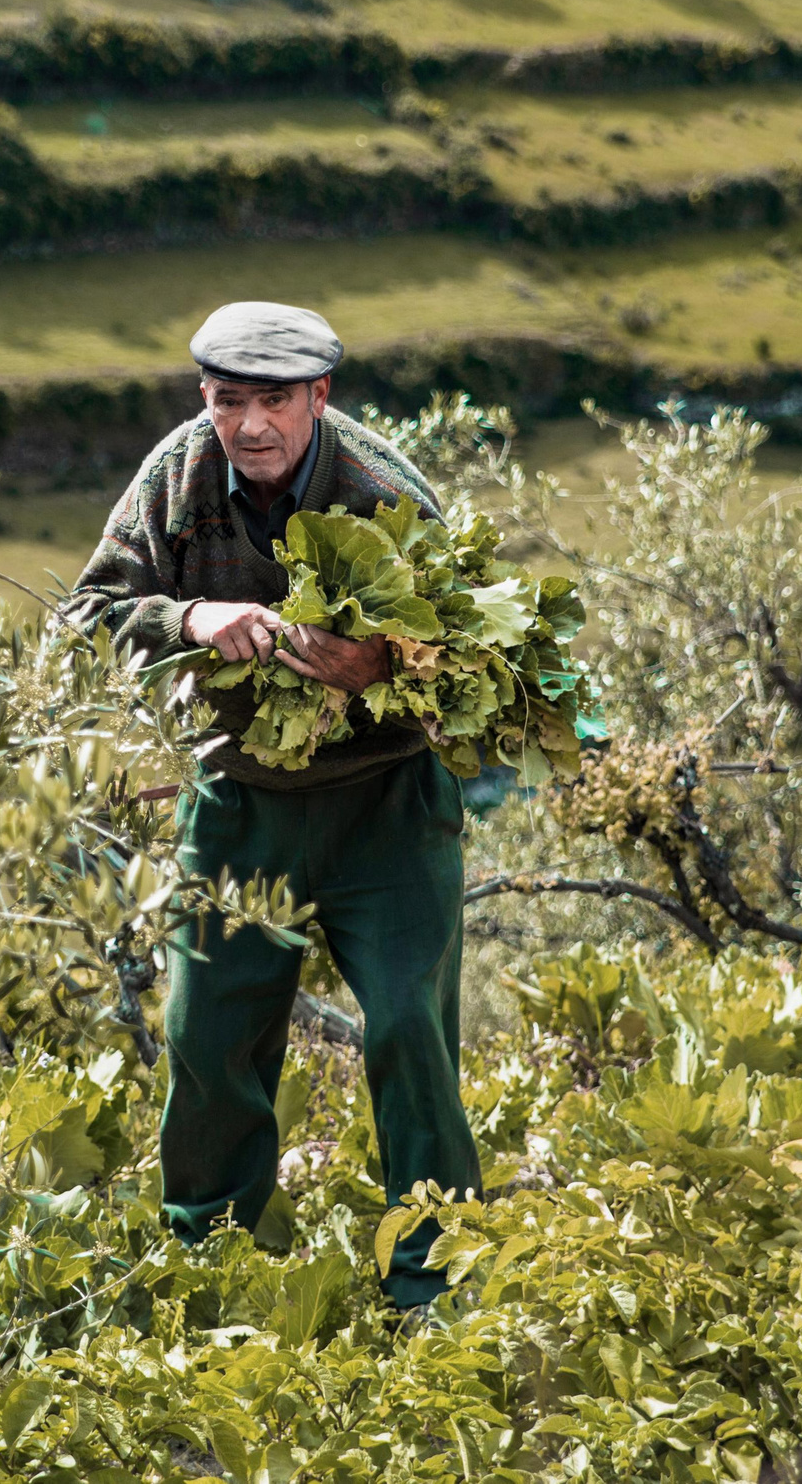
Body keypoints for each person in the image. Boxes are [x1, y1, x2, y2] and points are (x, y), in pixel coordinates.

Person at [65, 300, 480, 1316]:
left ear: (318, 398)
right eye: (226, 400)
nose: (249, 425)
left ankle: (435, 1280)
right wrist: (191, 617)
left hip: (386, 805)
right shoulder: (175, 475)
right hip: (238, 801)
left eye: (274, 402)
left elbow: (477, 665)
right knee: (209, 1037)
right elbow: (88, 616)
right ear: (204, 399)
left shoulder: (384, 491)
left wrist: (376, 663)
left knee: (405, 1030)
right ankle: (209, 1267)